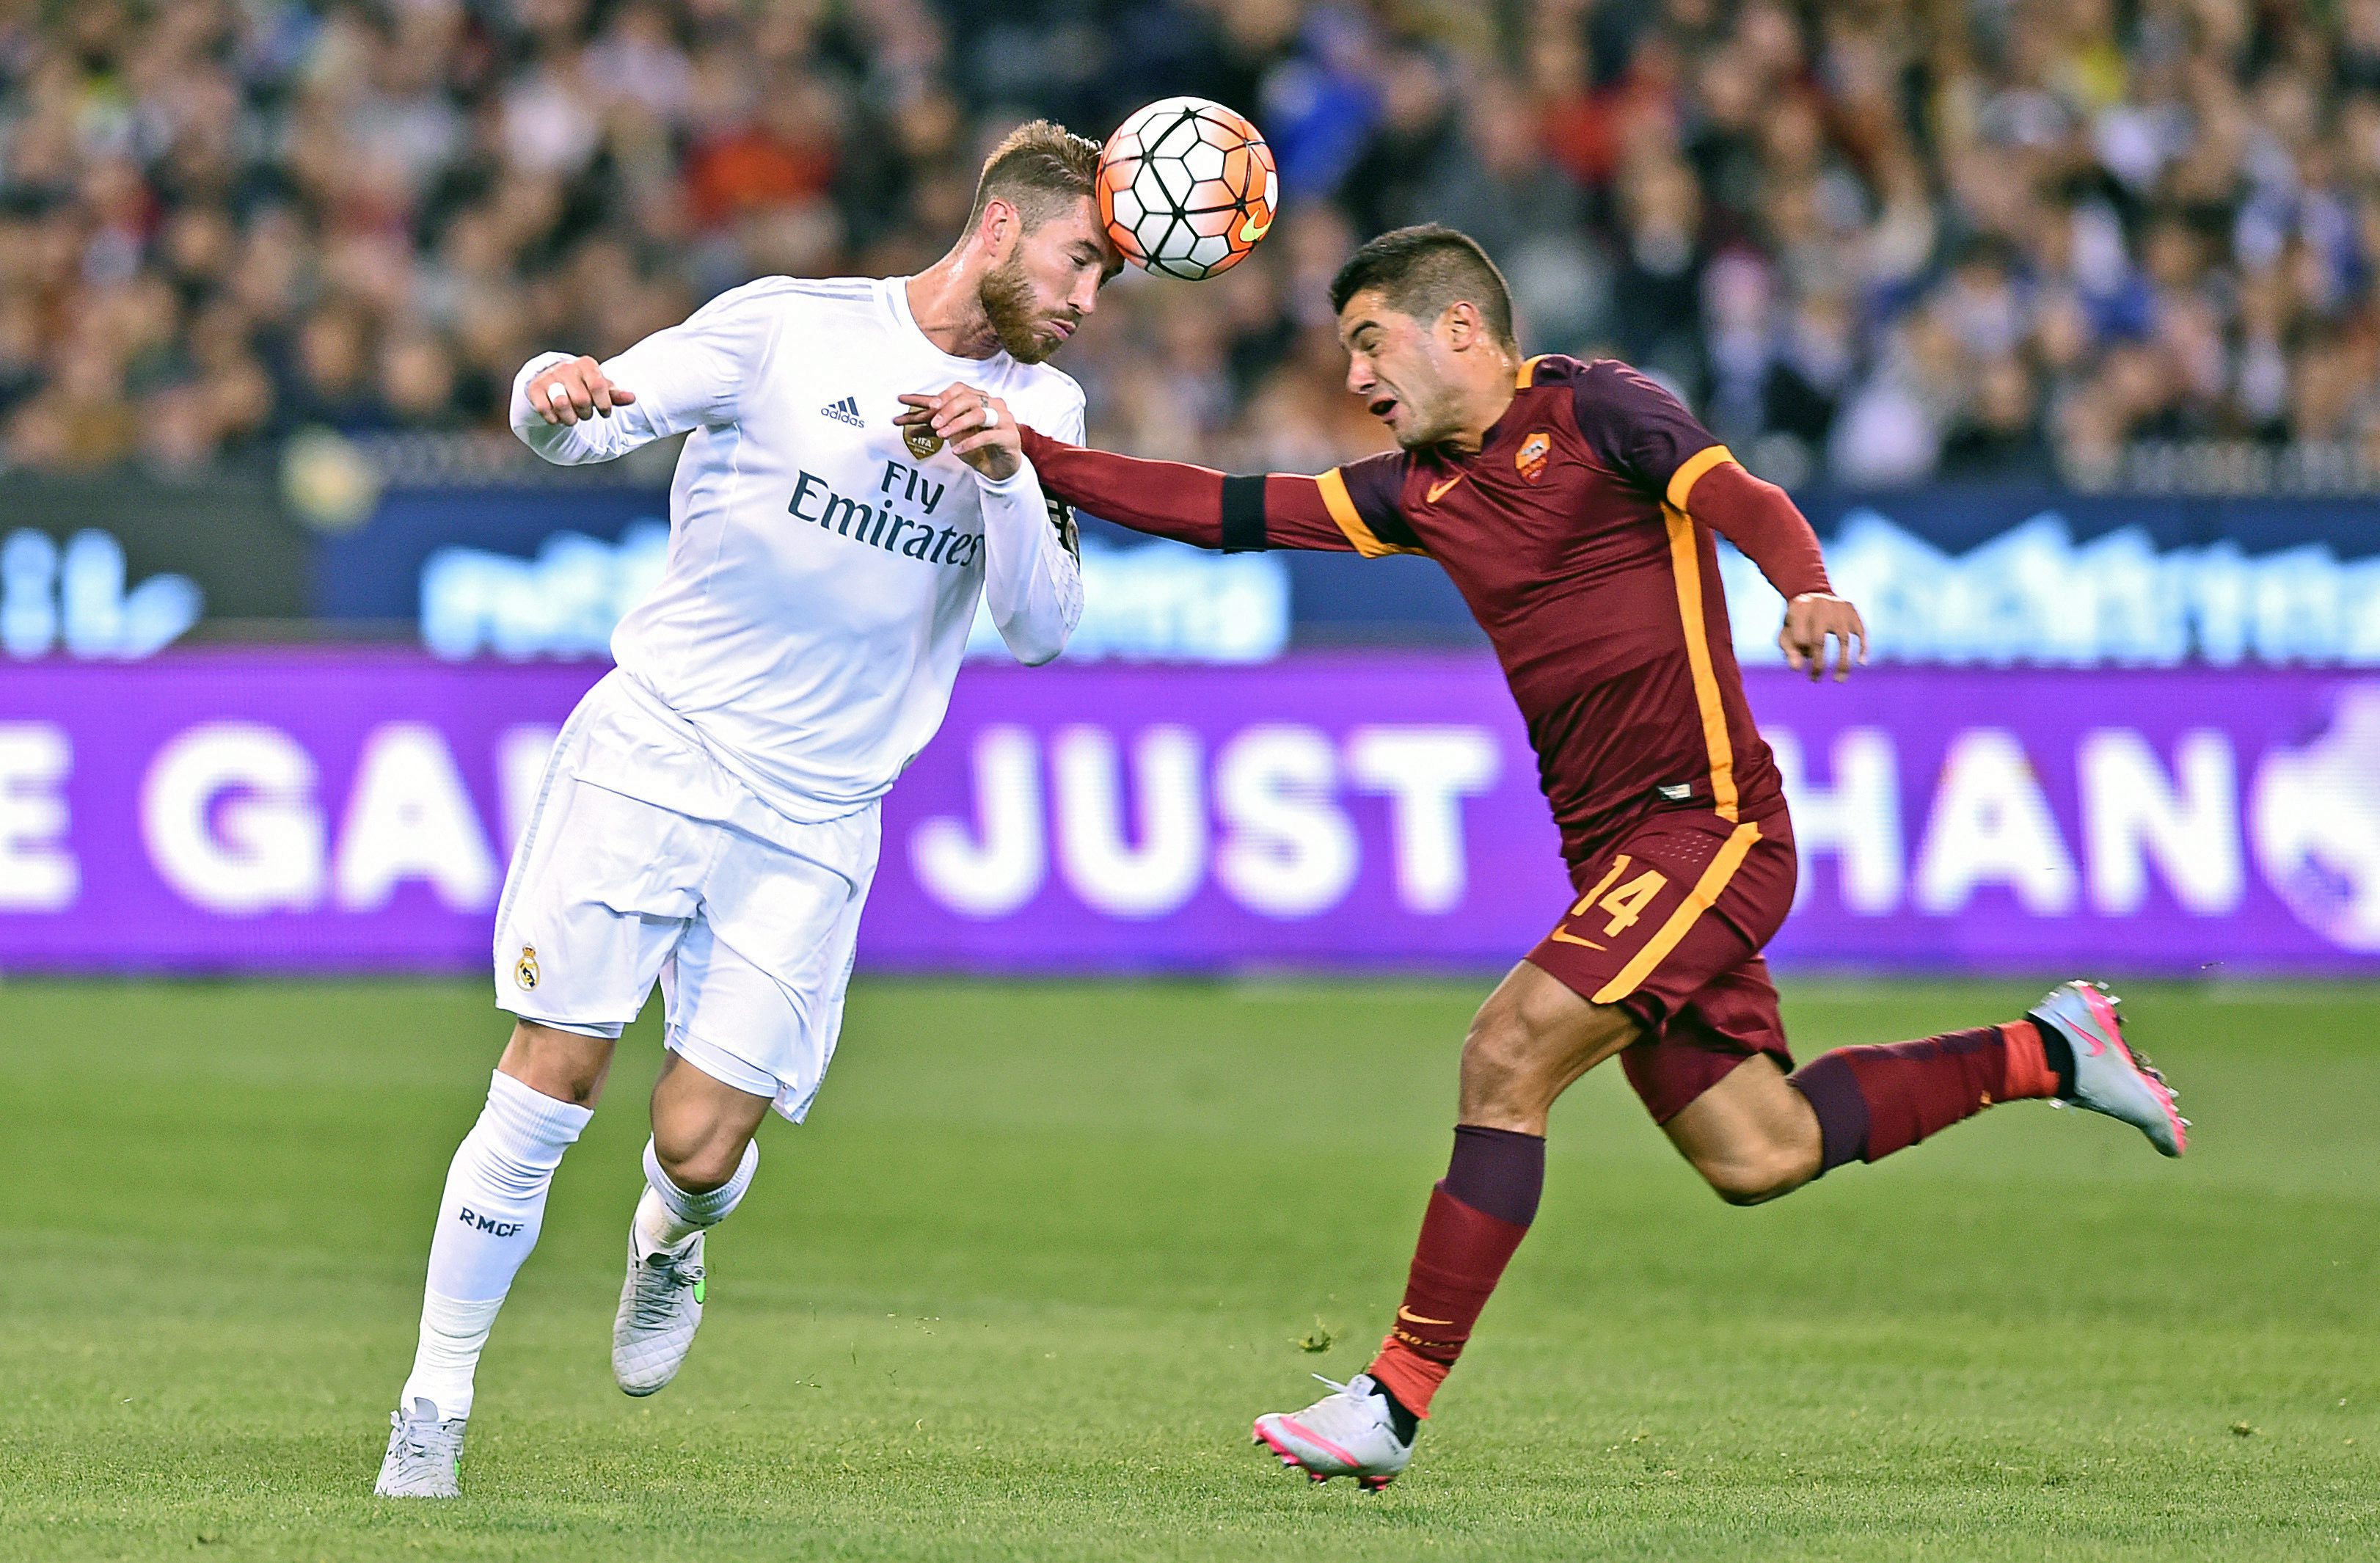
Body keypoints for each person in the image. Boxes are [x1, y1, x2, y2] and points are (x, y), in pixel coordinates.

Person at [899, 223, 2188, 1491]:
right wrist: (1031, 454)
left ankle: (1392, 1399)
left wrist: (1804, 582)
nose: (1354, 376)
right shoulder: (1414, 490)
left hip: (1709, 827)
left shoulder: (1597, 411)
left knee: (1506, 1052)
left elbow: (1740, 497)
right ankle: (2051, 1048)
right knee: (1761, 1150)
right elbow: (1228, 509)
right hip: (1620, 860)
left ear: (1460, 326)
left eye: (1371, 342)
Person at [374, 120, 1118, 1500]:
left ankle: (671, 1235)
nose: (1087, 298)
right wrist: (547, 386)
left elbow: (1042, 628)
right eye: (1080, 260)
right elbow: (586, 414)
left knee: (697, 1141)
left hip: (818, 813)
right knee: (552, 1073)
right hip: (658, 749)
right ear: (1002, 227)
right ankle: (435, 1404)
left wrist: (1004, 470)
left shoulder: (1047, 412)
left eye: (1109, 279)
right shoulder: (790, 327)